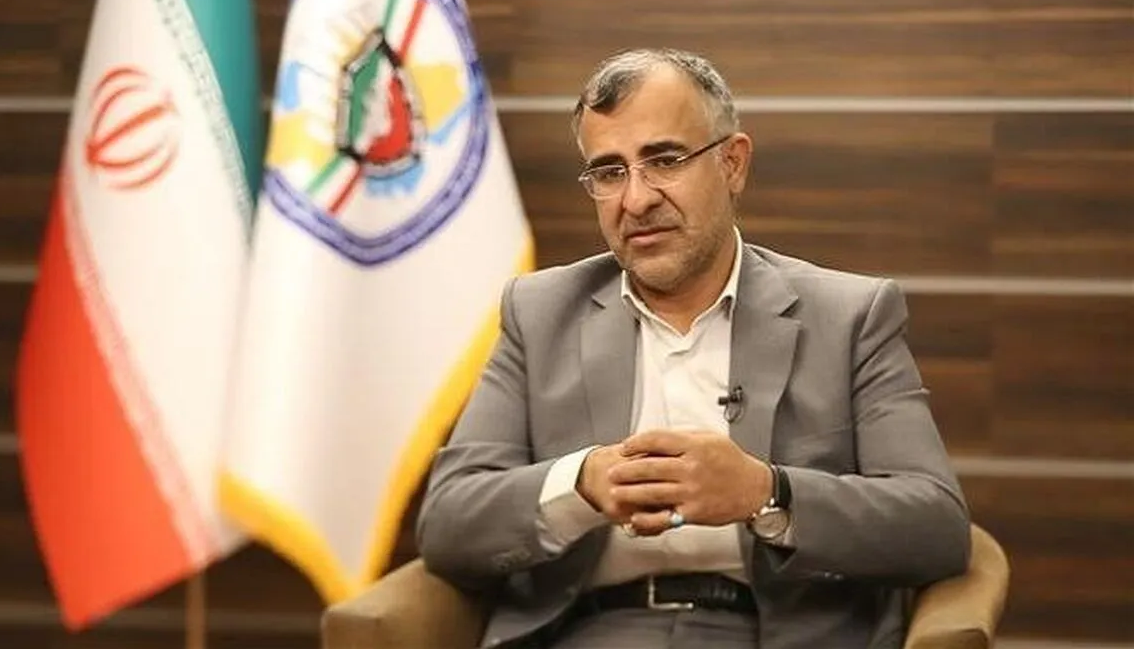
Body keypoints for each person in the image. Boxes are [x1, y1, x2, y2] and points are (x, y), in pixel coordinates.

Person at [415, 48, 970, 649]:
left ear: (732, 164)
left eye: (664, 160)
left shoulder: (849, 317)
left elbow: (935, 526)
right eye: (609, 172)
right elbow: (448, 523)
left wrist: (765, 492)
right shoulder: (539, 312)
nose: (636, 200)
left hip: (777, 633)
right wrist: (580, 485)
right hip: (590, 631)